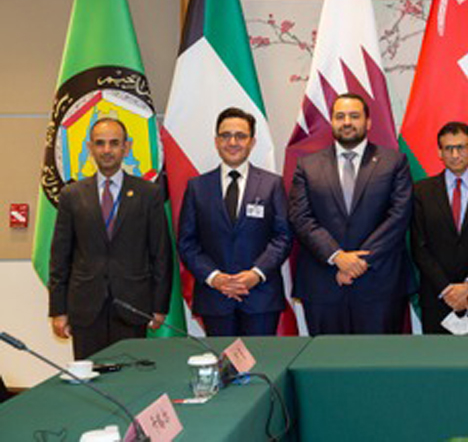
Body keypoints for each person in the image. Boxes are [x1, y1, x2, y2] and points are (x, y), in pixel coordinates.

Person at [289, 93, 413, 334]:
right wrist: (337, 257)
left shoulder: (394, 162)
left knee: (377, 364)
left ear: (368, 122)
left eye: (354, 116)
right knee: (325, 363)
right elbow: (300, 217)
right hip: (323, 283)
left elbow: (399, 216)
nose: (347, 122)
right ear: (332, 122)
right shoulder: (307, 165)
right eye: (340, 116)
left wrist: (358, 262)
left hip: (380, 284)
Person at [48, 117, 172, 359]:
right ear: (89, 147)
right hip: (85, 307)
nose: (107, 150)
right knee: (89, 382)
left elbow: (161, 254)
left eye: (114, 143)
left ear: (126, 148)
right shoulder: (71, 195)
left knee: (128, 382)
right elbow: (59, 257)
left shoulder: (149, 194)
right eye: (100, 143)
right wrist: (58, 310)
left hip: (133, 305)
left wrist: (160, 306)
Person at [177, 107, 293, 336]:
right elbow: (187, 243)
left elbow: (283, 237)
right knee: (224, 368)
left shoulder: (272, 185)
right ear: (216, 141)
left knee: (260, 366)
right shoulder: (197, 187)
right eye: (225, 135)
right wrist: (215, 278)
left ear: (252, 142)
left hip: (260, 297)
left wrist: (255, 274)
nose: (232, 142)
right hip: (215, 298)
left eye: (240, 136)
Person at [410, 122, 468, 334]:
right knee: (436, 363)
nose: (455, 154)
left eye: (461, 147)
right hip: (436, 296)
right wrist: (447, 290)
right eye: (448, 148)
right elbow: (419, 246)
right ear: (439, 152)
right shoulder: (422, 191)